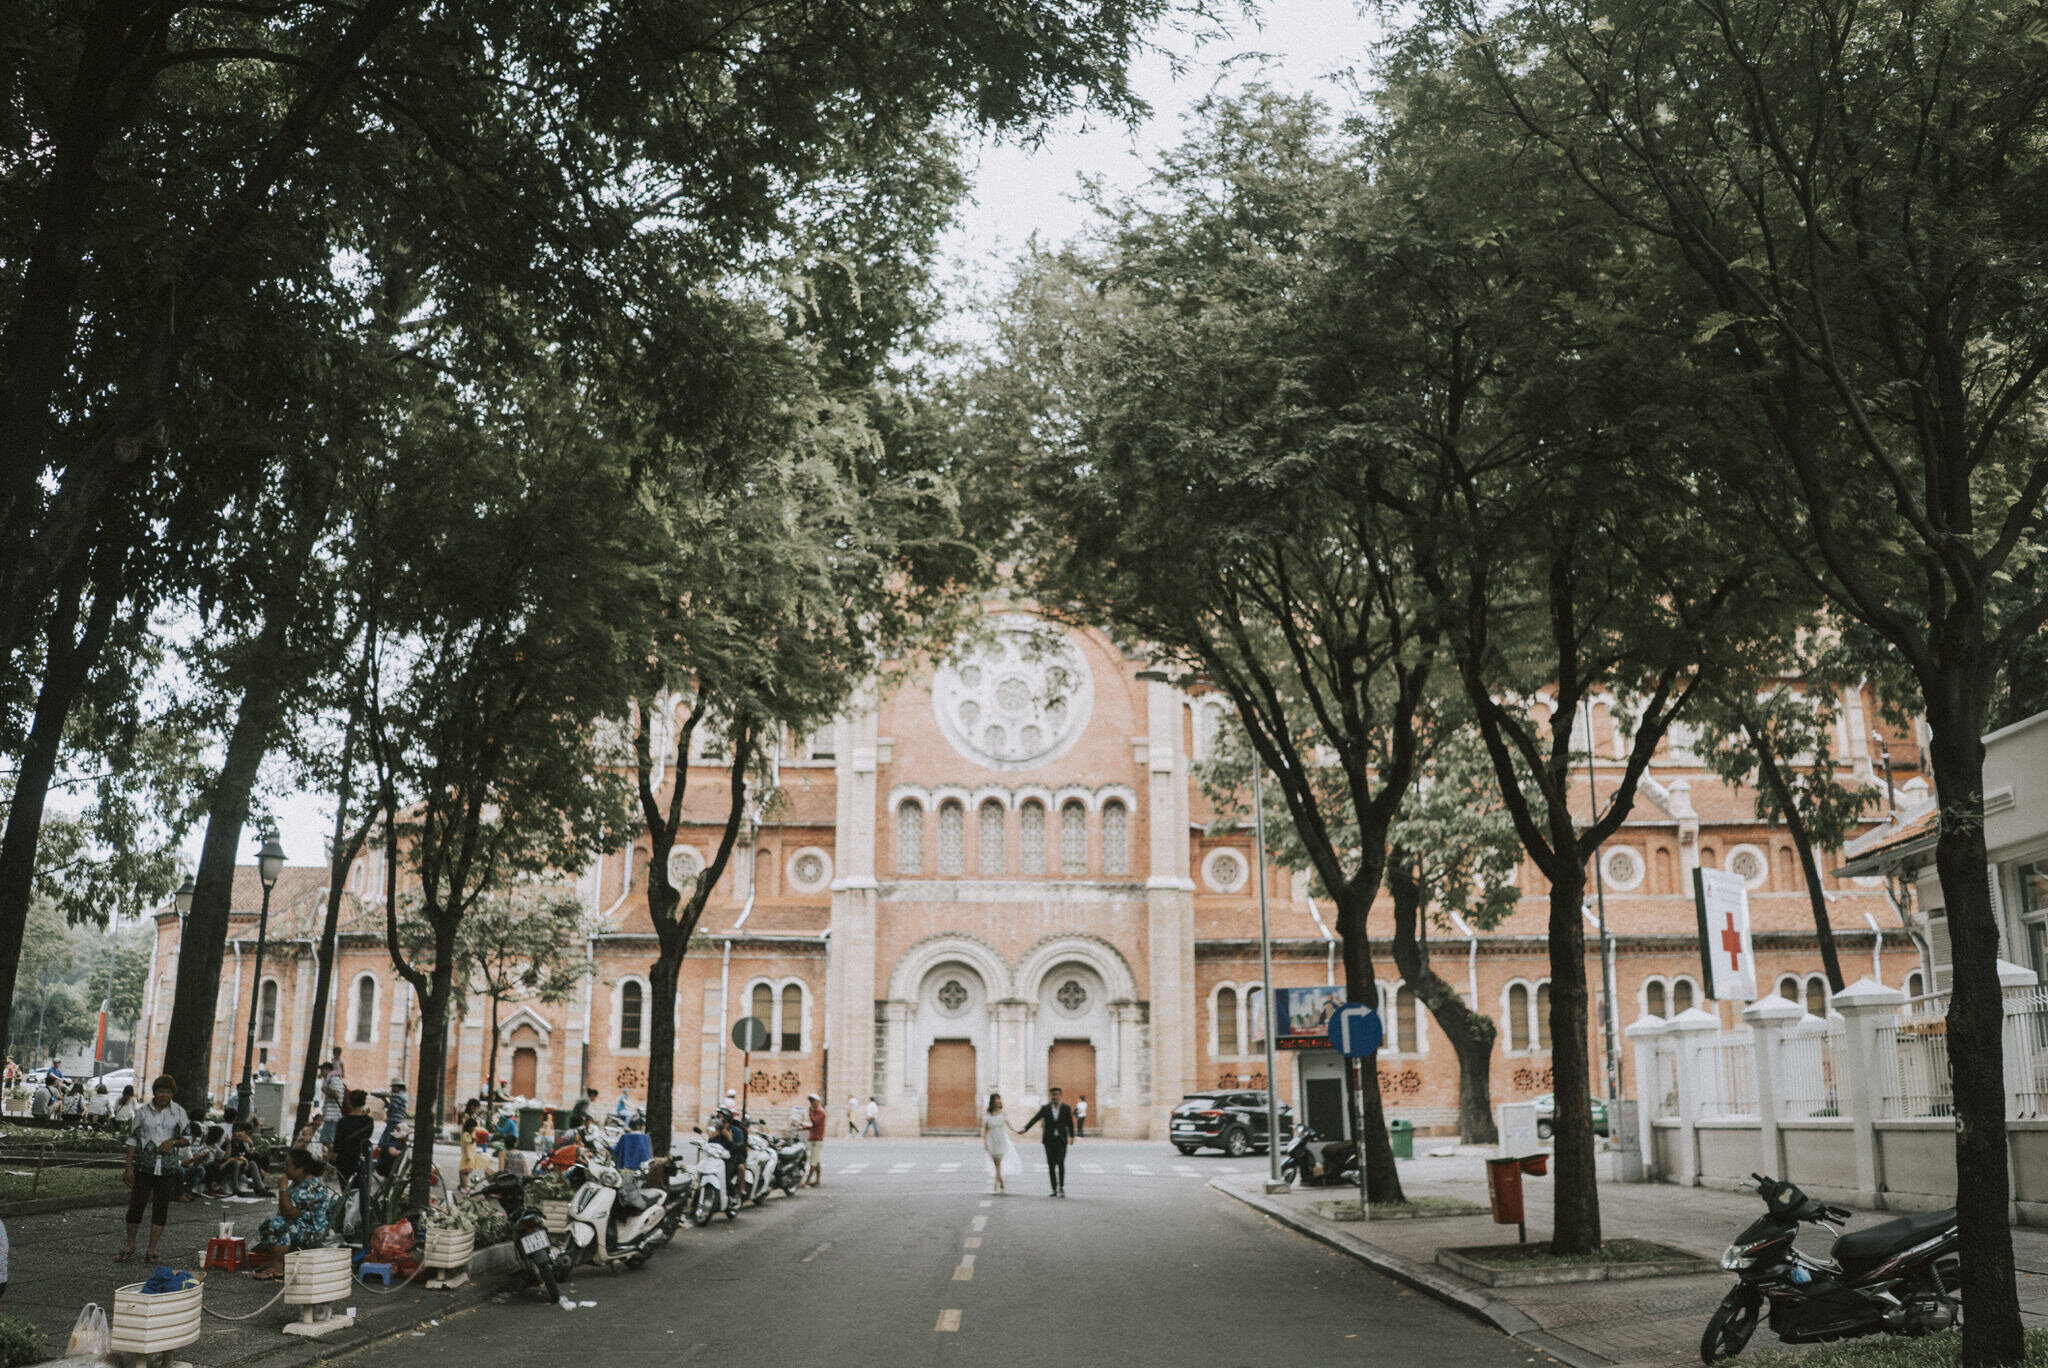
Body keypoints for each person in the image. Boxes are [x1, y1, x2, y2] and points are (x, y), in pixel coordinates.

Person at [117, 1074, 190, 1263]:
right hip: (144, 1167)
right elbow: (133, 1139)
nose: (164, 1095)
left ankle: (151, 1249)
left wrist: (172, 1142)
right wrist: (129, 1167)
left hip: (167, 1169)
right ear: (155, 1092)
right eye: (160, 1091)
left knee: (160, 1209)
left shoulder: (179, 1112)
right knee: (136, 1206)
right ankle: (130, 1244)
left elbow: (187, 1138)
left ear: (173, 1094)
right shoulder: (143, 1112)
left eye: (168, 1092)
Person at [246, 1149, 337, 1280]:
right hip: (300, 1225)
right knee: (268, 1224)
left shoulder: (311, 1187)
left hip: (311, 1231)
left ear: (300, 1169)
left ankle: (278, 1266)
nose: (285, 1168)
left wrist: (282, 1189)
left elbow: (288, 1213)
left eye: (288, 1165)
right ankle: (273, 1260)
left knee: (278, 1225)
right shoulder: (298, 1182)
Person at [1020, 1086, 1076, 1197]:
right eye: (1053, 1095)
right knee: (1051, 1165)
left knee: (1060, 1163)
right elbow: (1035, 1118)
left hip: (1061, 1140)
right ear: (1050, 1096)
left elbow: (1070, 1123)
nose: (1054, 1097)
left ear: (1060, 1095)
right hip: (1049, 1141)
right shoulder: (1045, 1108)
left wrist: (1072, 1136)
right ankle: (1054, 1189)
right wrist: (1026, 1128)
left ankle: (1062, 1188)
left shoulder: (1066, 1108)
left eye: (1056, 1094)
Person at [981, 1093, 1020, 1194]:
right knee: (995, 1164)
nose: (998, 1101)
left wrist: (1017, 1131)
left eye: (999, 1099)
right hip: (991, 1140)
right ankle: (1001, 1182)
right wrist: (985, 1142)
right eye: (996, 1099)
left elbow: (1009, 1125)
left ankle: (995, 1186)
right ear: (993, 1101)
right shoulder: (988, 1115)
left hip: (1001, 1140)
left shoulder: (1003, 1114)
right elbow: (985, 1129)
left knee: (998, 1163)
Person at [319, 1061, 345, 1144]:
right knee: (326, 1140)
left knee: (328, 1140)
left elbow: (337, 1095)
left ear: (327, 1070)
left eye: (322, 1070)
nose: (321, 1073)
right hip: (330, 1116)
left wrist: (325, 1090)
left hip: (333, 1116)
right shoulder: (330, 1079)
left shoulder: (334, 1079)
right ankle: (330, 1156)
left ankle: (332, 1156)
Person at [804, 1094, 826, 1187]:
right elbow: (813, 1125)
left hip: (817, 1139)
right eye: (811, 1101)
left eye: (813, 1101)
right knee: (816, 1161)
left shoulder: (820, 1112)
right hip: (813, 1137)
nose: (812, 1103)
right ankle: (817, 1179)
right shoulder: (816, 1112)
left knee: (813, 1161)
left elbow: (815, 1122)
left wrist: (810, 1113)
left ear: (817, 1102)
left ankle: (807, 1180)